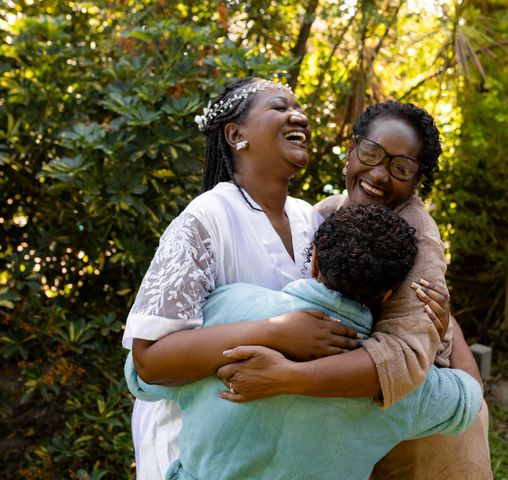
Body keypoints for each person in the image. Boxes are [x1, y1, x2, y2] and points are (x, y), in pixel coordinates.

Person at [216, 101, 493, 479]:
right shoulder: (325, 213)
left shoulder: (420, 238)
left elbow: (404, 358)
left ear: (417, 181)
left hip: (423, 436)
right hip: (353, 425)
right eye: (371, 153)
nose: (379, 175)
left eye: (400, 168)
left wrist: (284, 377)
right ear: (352, 150)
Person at [125, 205, 484, 479]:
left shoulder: (226, 307)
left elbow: (140, 379)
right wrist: (445, 322)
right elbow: (470, 396)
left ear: (313, 261)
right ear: (388, 294)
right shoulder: (399, 384)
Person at [123, 77, 363, 479]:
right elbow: (150, 360)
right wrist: (277, 332)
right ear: (236, 135)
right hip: (191, 448)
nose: (299, 116)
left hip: (267, 449)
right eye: (279, 107)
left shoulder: (312, 219)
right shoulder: (206, 220)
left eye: (299, 108)